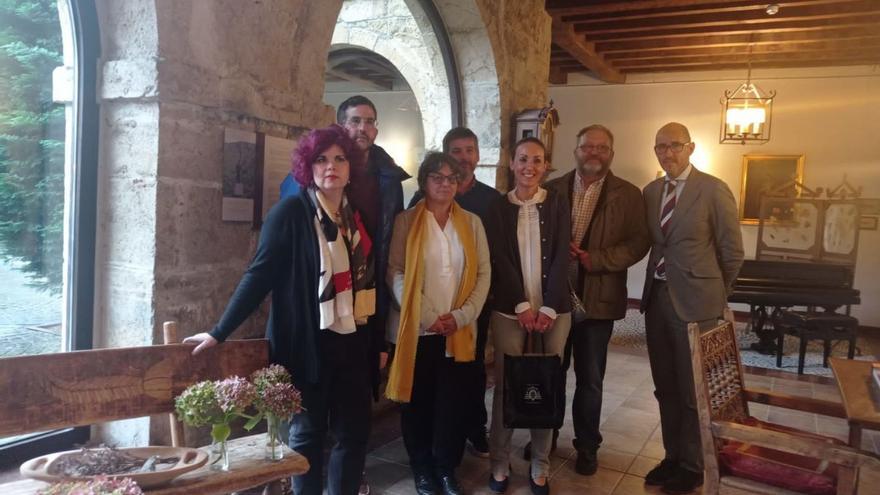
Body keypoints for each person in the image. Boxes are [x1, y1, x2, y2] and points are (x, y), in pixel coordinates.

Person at [183, 125, 380, 495]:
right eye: (321, 159)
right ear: (308, 166)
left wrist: (379, 344)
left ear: (351, 167)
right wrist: (219, 331)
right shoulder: (291, 212)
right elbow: (259, 275)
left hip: (353, 343)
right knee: (306, 437)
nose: (330, 167)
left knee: (353, 435)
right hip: (306, 344)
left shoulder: (356, 219)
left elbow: (371, 282)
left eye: (339, 159)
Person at [640, 122, 744, 494]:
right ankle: (671, 457)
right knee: (664, 387)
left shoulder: (713, 190)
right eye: (660, 147)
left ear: (691, 148)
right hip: (657, 299)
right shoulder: (651, 192)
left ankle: (694, 463)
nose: (667, 153)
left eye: (674, 146)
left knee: (692, 390)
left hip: (698, 305)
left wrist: (714, 295)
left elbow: (733, 254)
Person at [544, 125, 649, 475]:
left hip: (599, 301)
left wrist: (596, 259)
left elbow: (639, 242)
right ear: (575, 150)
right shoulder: (553, 188)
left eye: (602, 147)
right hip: (555, 301)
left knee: (590, 379)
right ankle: (547, 436)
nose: (594, 152)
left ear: (612, 153)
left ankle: (587, 446)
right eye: (587, 146)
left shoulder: (629, 194)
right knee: (552, 373)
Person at [386, 152, 491, 495]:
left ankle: (446, 468)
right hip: (420, 329)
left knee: (453, 403)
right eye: (437, 177)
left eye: (451, 178)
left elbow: (483, 275)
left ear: (459, 184)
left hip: (459, 331)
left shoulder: (472, 223)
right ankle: (422, 468)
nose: (445, 183)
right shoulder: (406, 221)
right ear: (424, 181)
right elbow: (396, 272)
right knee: (418, 403)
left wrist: (461, 316)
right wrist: (429, 316)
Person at [485, 137, 571, 495]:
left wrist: (548, 307)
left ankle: (540, 464)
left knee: (545, 386)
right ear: (511, 161)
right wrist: (521, 305)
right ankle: (500, 462)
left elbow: (564, 255)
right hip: (509, 310)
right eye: (522, 159)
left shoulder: (558, 204)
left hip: (555, 310)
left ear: (546, 165)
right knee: (507, 387)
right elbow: (500, 259)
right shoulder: (497, 208)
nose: (529, 167)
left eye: (537, 160)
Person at [409, 127, 502, 457]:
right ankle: (433, 441)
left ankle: (472, 429)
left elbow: (494, 257)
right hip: (429, 310)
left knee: (470, 370)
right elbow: (403, 265)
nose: (463, 157)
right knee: (432, 378)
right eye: (456, 151)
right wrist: (430, 314)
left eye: (469, 150)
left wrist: (474, 305)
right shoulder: (417, 207)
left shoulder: (491, 201)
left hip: (472, 305)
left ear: (478, 155)